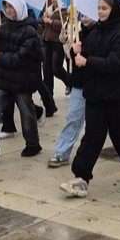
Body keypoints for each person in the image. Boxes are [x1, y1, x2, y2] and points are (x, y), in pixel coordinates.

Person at [60, 0, 120, 196]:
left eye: (104, 8)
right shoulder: (94, 33)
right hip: (96, 94)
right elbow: (83, 60)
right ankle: (81, 178)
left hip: (118, 96)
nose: (100, 12)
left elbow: (115, 63)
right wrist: (76, 52)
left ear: (114, 10)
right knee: (92, 136)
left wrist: (87, 61)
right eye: (98, 8)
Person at [0, 0, 42, 159]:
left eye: (11, 6)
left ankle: (33, 144)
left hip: (22, 80)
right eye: (6, 6)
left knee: (26, 112)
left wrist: (0, 58)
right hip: (4, 80)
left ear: (20, 7)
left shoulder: (30, 31)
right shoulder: (4, 26)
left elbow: (22, 58)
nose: (8, 9)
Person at [48, 14, 93, 167]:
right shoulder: (78, 32)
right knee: (73, 117)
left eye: (89, 14)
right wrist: (70, 46)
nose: (85, 18)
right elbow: (71, 55)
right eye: (83, 15)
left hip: (98, 85)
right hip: (79, 83)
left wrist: (85, 54)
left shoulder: (104, 33)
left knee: (101, 124)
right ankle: (61, 153)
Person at [40, 0, 70, 99]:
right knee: (46, 69)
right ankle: (49, 95)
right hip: (46, 40)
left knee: (56, 68)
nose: (54, 0)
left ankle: (69, 82)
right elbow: (42, 24)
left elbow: (65, 25)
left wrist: (51, 21)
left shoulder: (66, 10)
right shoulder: (48, 9)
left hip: (58, 42)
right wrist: (43, 18)